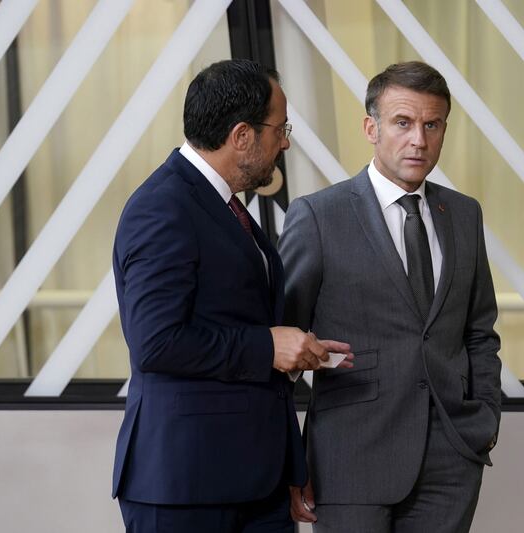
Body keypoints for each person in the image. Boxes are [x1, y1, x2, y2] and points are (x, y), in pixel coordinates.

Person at [111, 59, 352, 533]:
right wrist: (269, 346)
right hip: (186, 487)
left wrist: (299, 352)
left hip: (254, 484)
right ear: (242, 135)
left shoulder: (222, 205)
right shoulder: (162, 207)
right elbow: (157, 342)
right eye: (280, 129)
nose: (285, 141)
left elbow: (234, 319)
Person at [279, 61, 502, 532]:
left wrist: (483, 421)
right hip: (348, 460)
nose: (418, 139)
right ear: (371, 128)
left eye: (432, 124)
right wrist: (288, 459)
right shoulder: (318, 217)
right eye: (403, 123)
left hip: (451, 460)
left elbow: (480, 332)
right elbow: (282, 347)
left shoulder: (463, 215)